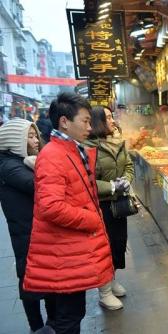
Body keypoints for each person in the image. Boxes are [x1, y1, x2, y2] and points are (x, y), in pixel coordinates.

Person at [23, 92, 114, 333]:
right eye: (85, 121)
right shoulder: (53, 155)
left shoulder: (72, 150)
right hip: (63, 255)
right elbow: (50, 206)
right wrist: (92, 219)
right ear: (64, 121)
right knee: (68, 318)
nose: (89, 126)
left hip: (69, 252)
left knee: (70, 314)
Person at [0, 119, 54, 332]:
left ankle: (51, 322)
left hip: (36, 228)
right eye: (29, 137)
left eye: (35, 136)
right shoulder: (9, 166)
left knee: (46, 276)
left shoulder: (23, 159)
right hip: (26, 231)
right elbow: (38, 186)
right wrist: (40, 165)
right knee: (30, 279)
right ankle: (37, 326)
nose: (35, 141)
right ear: (14, 141)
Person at [86, 105, 134, 311]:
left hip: (118, 204)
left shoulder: (118, 141)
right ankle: (104, 291)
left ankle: (112, 279)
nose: (113, 120)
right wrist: (112, 186)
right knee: (102, 247)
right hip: (100, 206)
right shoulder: (87, 147)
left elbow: (129, 166)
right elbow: (86, 180)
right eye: (108, 117)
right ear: (98, 122)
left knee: (117, 243)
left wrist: (126, 180)